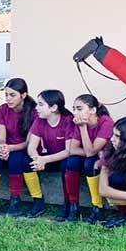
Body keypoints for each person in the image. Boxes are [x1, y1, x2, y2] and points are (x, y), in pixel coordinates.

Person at [0, 78, 37, 217]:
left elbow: (28, 143)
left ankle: (15, 201)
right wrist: (2, 148)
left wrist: (10, 149)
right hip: (7, 147)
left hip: (25, 148)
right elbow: (1, 137)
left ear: (23, 95)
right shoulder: (2, 110)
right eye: (6, 95)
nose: (8, 98)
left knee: (16, 160)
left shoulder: (33, 112)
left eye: (12, 95)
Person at [26, 90, 76, 221]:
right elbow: (31, 147)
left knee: (68, 164)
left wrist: (44, 159)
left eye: (41, 104)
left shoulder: (68, 121)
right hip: (48, 158)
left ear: (53, 108)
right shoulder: (39, 120)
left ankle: (69, 204)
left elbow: (68, 151)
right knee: (24, 161)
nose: (36, 108)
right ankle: (37, 201)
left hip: (63, 157)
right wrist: (37, 159)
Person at [65, 94, 114, 224]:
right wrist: (90, 152)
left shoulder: (106, 122)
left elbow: (91, 151)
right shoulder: (79, 123)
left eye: (79, 109)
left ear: (92, 110)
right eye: (74, 109)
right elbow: (73, 149)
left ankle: (98, 207)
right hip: (93, 155)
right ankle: (73, 206)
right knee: (71, 162)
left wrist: (82, 128)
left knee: (90, 163)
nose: (75, 112)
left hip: (106, 159)